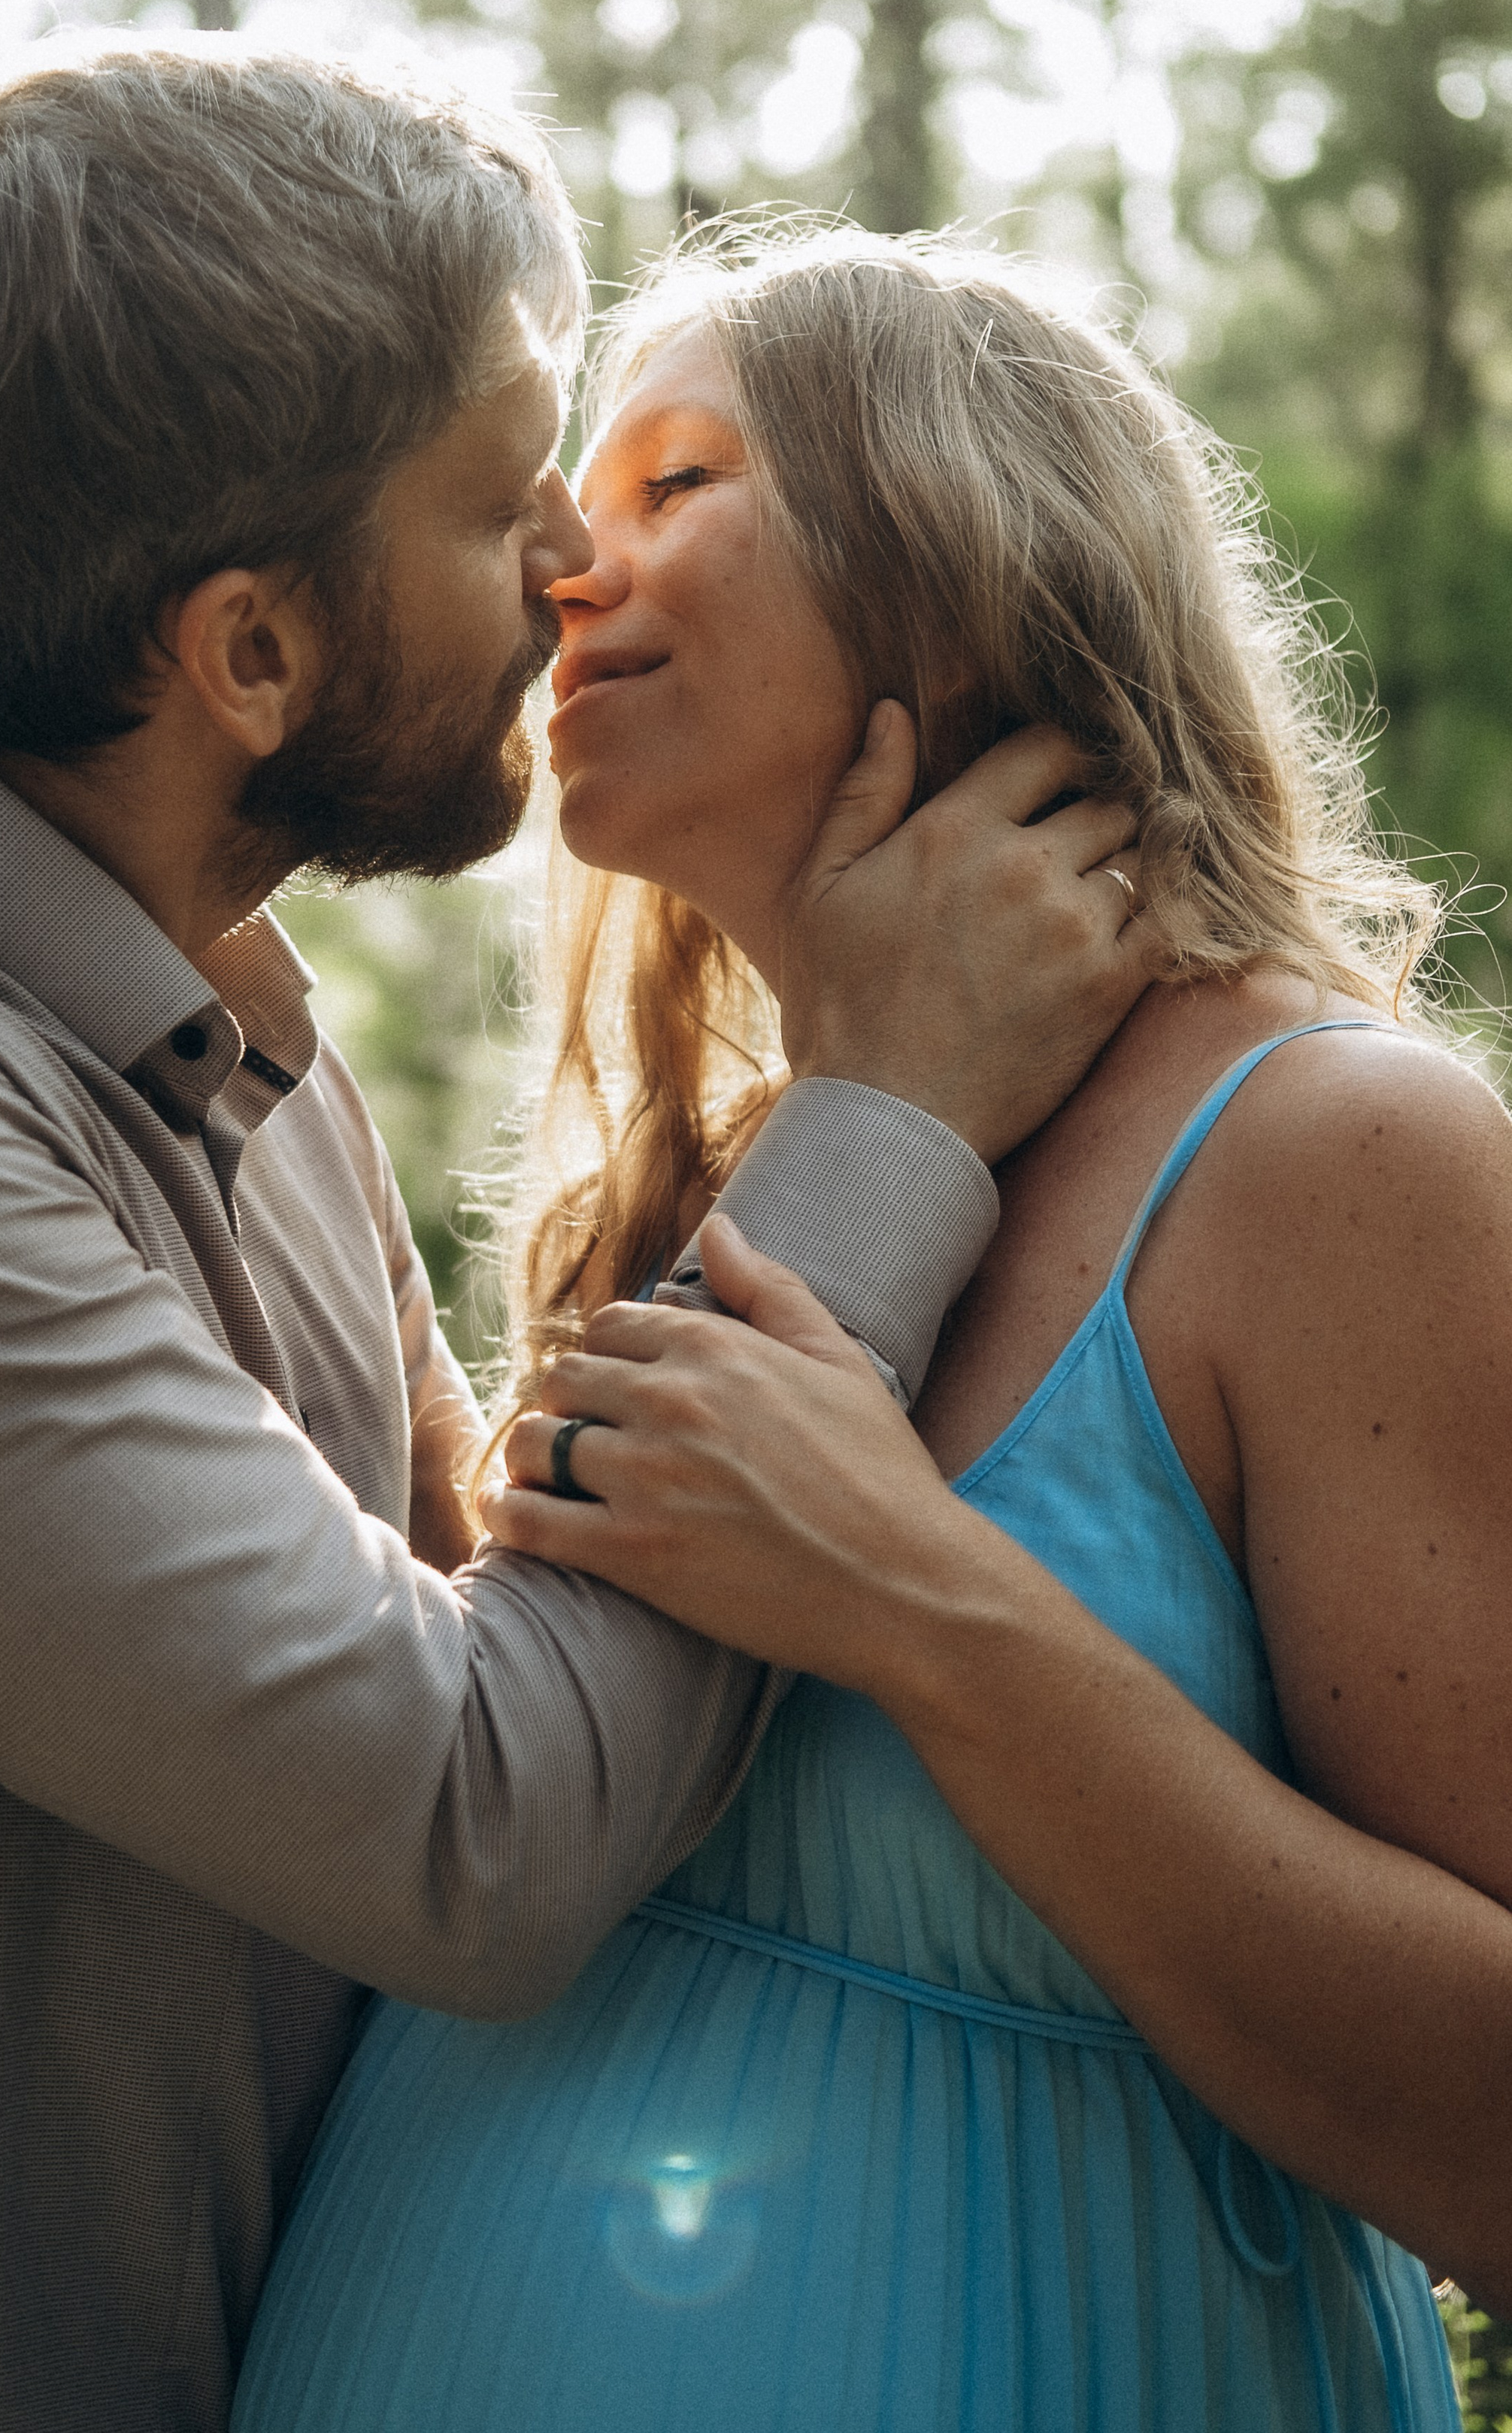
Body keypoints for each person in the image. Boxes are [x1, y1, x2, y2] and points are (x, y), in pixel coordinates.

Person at [0, 53, 1151, 2431]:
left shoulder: (203, 1008)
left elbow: (503, 1594)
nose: (571, 557)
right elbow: (476, 1820)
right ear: (247, 655)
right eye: (489, 484)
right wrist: (895, 1118)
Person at [231, 226, 1512, 2433]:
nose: (563, 565)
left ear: (955, 543)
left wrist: (913, 1597)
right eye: (563, 506)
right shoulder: (743, 1176)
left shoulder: (1336, 1157)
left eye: (676, 484)